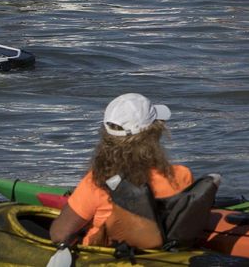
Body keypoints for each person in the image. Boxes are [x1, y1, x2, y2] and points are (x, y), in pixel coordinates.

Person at [50, 93, 194, 250]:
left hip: (107, 256)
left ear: (106, 136)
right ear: (155, 133)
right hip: (163, 253)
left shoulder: (97, 182)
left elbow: (59, 234)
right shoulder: (182, 175)